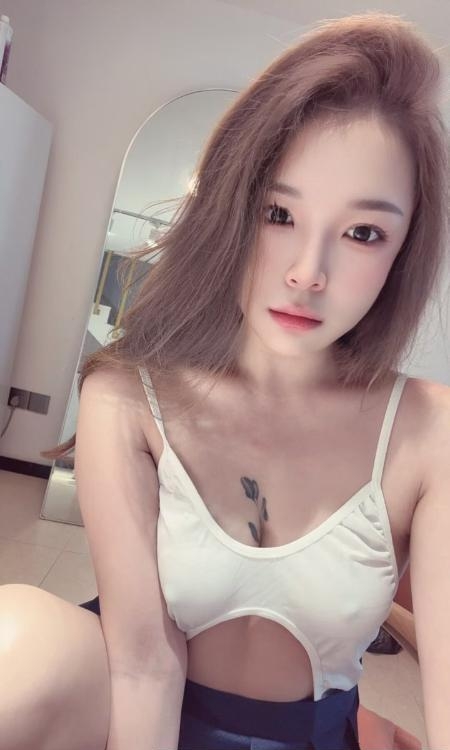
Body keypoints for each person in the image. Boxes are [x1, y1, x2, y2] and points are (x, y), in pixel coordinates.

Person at [1, 10, 448, 750]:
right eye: (278, 213)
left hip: (305, 734)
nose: (307, 273)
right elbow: (143, 665)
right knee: (18, 640)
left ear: (404, 249)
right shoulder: (129, 396)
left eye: (363, 232)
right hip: (135, 709)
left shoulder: (430, 432)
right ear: (231, 208)